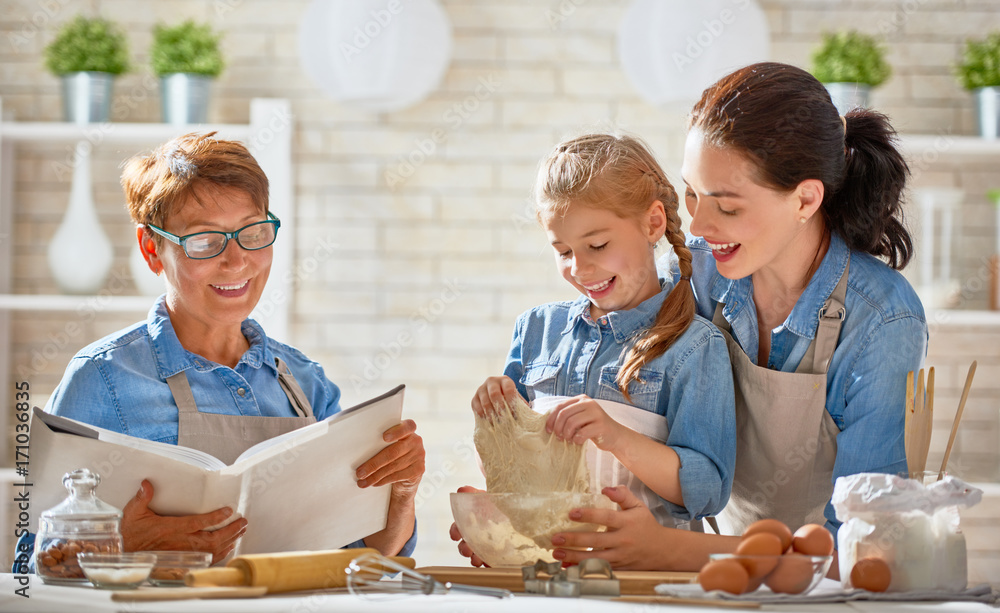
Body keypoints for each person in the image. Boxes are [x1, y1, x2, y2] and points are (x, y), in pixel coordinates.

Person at [540, 63, 927, 574]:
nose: (697, 224)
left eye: (725, 206)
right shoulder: (696, 270)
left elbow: (866, 547)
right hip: (714, 580)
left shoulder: (881, 320)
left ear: (806, 199)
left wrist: (670, 549)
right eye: (692, 195)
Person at [18, 133, 423, 565]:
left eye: (253, 232)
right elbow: (28, 568)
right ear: (152, 249)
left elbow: (358, 558)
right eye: (205, 241)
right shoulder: (102, 379)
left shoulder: (306, 384)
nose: (237, 262)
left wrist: (401, 495)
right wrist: (119, 545)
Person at [452, 134, 737, 569]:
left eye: (597, 245)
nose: (580, 268)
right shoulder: (535, 331)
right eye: (563, 251)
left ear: (653, 223)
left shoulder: (695, 346)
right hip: (547, 578)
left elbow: (706, 491)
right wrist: (495, 510)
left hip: (646, 583)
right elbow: (512, 472)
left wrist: (616, 437)